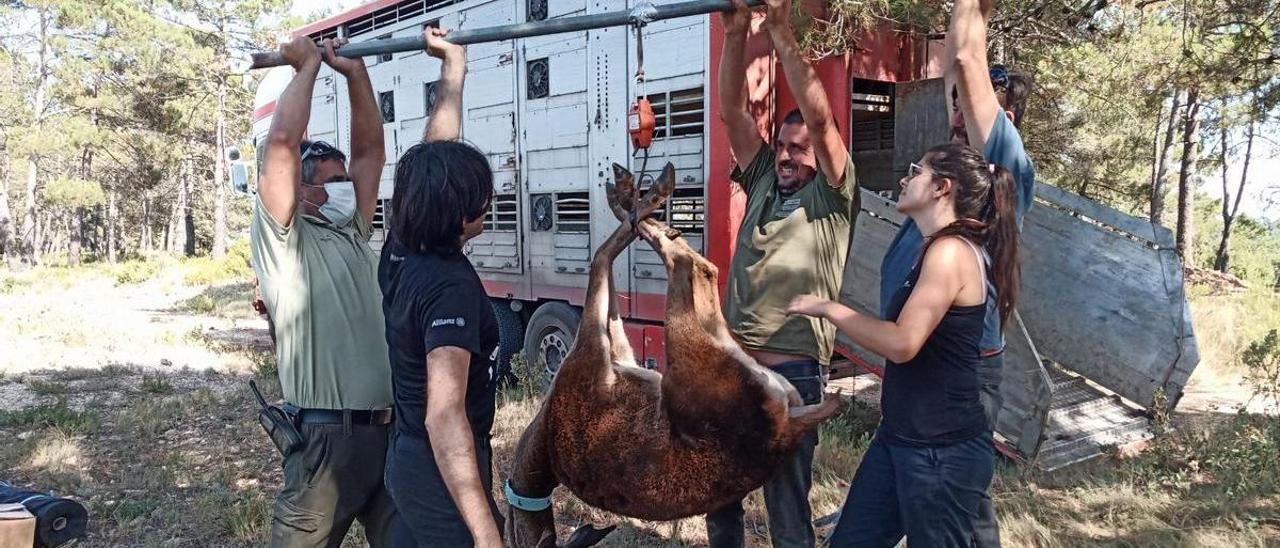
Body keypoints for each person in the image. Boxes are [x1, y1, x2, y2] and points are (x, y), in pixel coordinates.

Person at [788, 142, 1022, 546]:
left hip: (941, 453)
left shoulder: (951, 252)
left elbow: (902, 343)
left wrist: (829, 309)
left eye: (916, 171)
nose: (904, 178)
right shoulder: (933, 248)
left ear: (941, 188)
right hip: (900, 438)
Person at [878, 0, 1035, 544]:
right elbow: (954, 68)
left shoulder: (1003, 170)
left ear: (1003, 118)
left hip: (957, 377)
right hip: (917, 379)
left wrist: (972, 10)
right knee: (951, 512)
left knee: (950, 506)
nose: (956, 114)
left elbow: (967, 61)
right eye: (952, 106)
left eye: (969, 107)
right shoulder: (939, 189)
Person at [711, 0, 859, 545]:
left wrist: (778, 28)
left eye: (800, 149)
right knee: (721, 490)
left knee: (786, 505)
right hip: (735, 367)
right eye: (782, 146)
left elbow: (819, 119)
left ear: (822, 156)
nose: (787, 156)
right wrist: (734, 35)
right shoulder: (764, 184)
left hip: (793, 378)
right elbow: (732, 112)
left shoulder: (834, 196)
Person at [250, 35, 397, 547]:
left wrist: (355, 74)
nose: (345, 187)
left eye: (344, 179)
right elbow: (283, 146)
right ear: (304, 190)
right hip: (326, 442)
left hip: (389, 436)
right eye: (332, 180)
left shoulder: (353, 231)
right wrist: (306, 68)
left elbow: (371, 152)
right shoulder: (283, 240)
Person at [377, 28, 504, 548]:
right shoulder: (448, 287)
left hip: (407, 458)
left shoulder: (404, 244)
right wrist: (484, 532)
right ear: (459, 212)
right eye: (481, 196)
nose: (489, 202)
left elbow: (435, 155)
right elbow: (445, 412)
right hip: (438, 466)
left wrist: (453, 68)